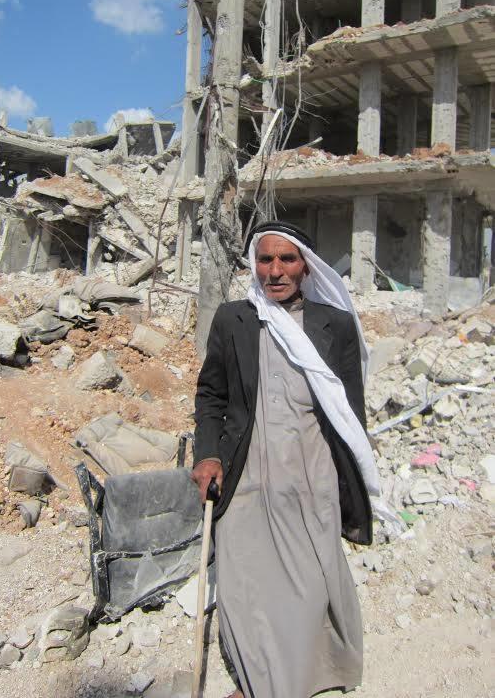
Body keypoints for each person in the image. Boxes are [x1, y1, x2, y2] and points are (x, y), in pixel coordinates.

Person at [192, 220, 380, 698]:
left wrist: (349, 478)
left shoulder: (332, 323)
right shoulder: (234, 318)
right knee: (245, 576)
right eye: (265, 260)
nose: (275, 271)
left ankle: (301, 674)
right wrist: (208, 453)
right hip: (248, 466)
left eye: (287, 259)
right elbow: (211, 392)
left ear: (305, 267)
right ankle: (258, 676)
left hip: (311, 465)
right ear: (255, 264)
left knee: (309, 579)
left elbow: (347, 407)